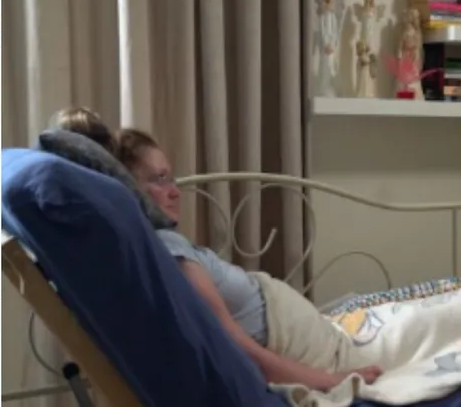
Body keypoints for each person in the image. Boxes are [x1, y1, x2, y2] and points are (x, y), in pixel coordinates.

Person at [53, 108, 383, 392]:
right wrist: (330, 381)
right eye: (159, 179)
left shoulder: (146, 250)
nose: (175, 191)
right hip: (311, 347)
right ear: (129, 190)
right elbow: (235, 346)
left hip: (309, 328)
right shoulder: (166, 248)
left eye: (172, 178)